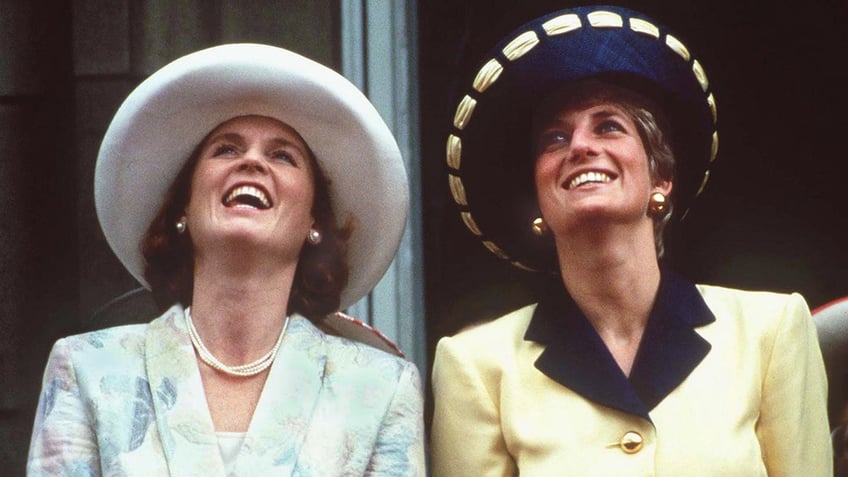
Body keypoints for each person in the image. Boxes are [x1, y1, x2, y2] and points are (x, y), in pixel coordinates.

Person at [431, 6, 831, 476]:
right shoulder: (477, 366)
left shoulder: (771, 331)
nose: (579, 146)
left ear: (660, 178)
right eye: (554, 139)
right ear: (539, 201)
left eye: (609, 126)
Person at [28, 43, 425, 476]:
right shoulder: (87, 369)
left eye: (282, 155)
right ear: (182, 209)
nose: (252, 161)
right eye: (227, 150)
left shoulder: (378, 388)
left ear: (315, 222)